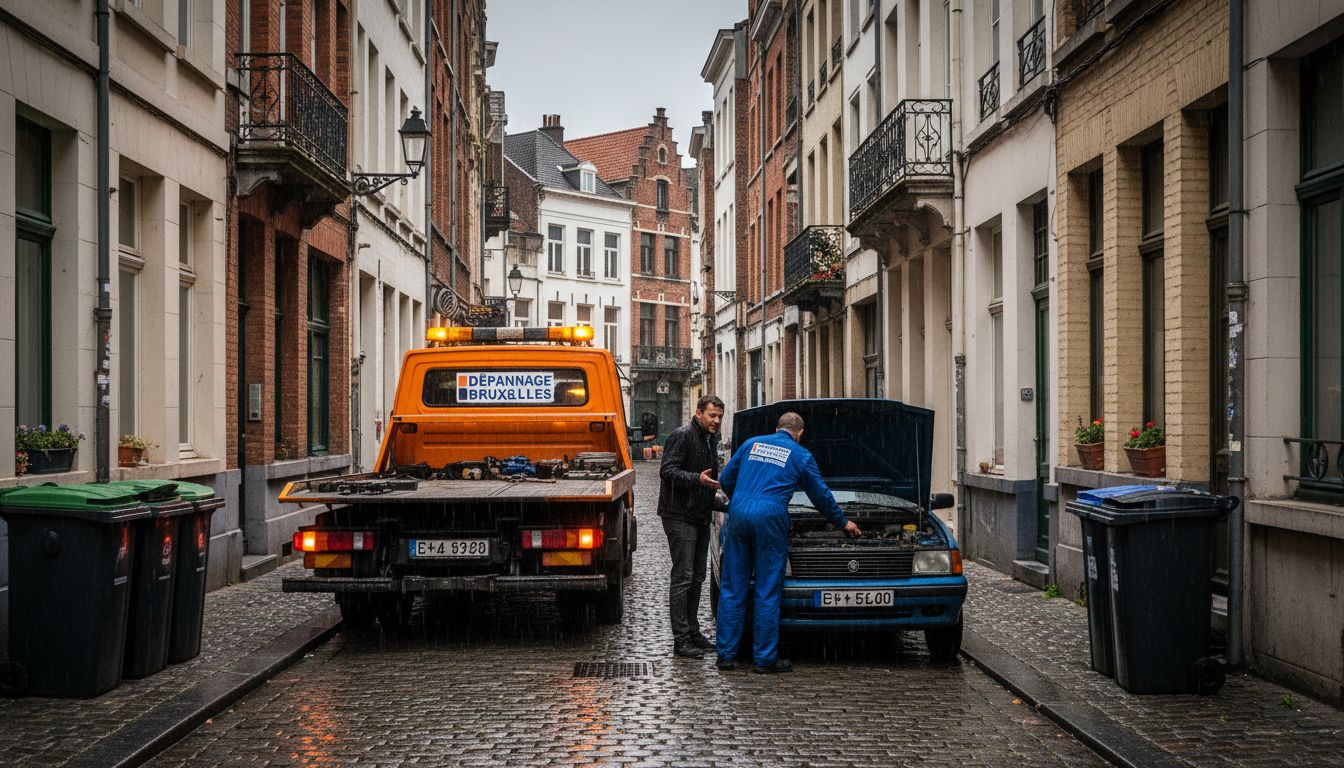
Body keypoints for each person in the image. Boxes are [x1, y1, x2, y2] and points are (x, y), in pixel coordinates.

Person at [715, 411, 861, 673]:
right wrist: (843, 522)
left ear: (776, 428)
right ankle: (764, 659)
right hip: (771, 517)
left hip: (738, 514)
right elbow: (820, 496)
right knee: (767, 590)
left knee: (733, 587)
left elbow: (725, 479)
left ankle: (725, 656)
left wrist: (741, 501)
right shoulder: (800, 455)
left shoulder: (752, 444)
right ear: (800, 434)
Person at [657, 394, 725, 658]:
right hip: (678, 515)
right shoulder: (683, 435)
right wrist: (697, 479)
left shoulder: (711, 439)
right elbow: (667, 471)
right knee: (683, 576)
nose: (716, 421)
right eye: (712, 415)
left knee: (698, 577)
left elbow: (709, 481)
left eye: (719, 416)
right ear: (698, 414)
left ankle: (693, 632)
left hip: (699, 515)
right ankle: (681, 639)